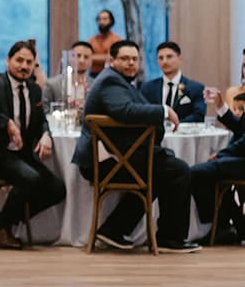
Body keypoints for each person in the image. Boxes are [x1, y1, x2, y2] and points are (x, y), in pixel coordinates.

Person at [74, 39, 199, 254]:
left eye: (134, 59)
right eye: (124, 59)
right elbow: (125, 110)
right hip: (104, 163)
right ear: (111, 60)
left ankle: (113, 229)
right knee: (177, 170)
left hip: (118, 157)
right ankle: (170, 238)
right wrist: (164, 111)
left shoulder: (119, 81)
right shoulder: (110, 82)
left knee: (162, 171)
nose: (131, 63)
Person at [0, 40, 66, 248]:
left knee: (57, 189)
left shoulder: (34, 89)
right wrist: (6, 123)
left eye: (29, 62)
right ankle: (3, 228)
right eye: (19, 60)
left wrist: (46, 135)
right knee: (30, 179)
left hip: (21, 155)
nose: (24, 66)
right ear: (8, 61)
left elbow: (41, 120)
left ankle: (2, 221)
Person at [139, 41, 206, 121]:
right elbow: (142, 114)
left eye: (169, 57)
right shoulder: (147, 88)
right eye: (161, 58)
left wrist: (174, 126)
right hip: (155, 132)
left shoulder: (196, 88)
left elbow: (198, 116)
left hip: (184, 132)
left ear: (180, 58)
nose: (165, 61)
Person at [42, 41, 94, 108]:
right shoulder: (52, 85)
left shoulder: (95, 86)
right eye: (78, 55)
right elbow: (45, 112)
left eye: (86, 57)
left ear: (91, 61)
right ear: (69, 57)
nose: (82, 60)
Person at [88, 8, 121, 76]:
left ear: (111, 21)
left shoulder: (116, 40)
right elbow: (86, 57)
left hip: (111, 75)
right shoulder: (92, 40)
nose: (102, 22)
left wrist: (92, 57)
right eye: (100, 19)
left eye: (105, 19)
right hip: (93, 76)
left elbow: (111, 58)